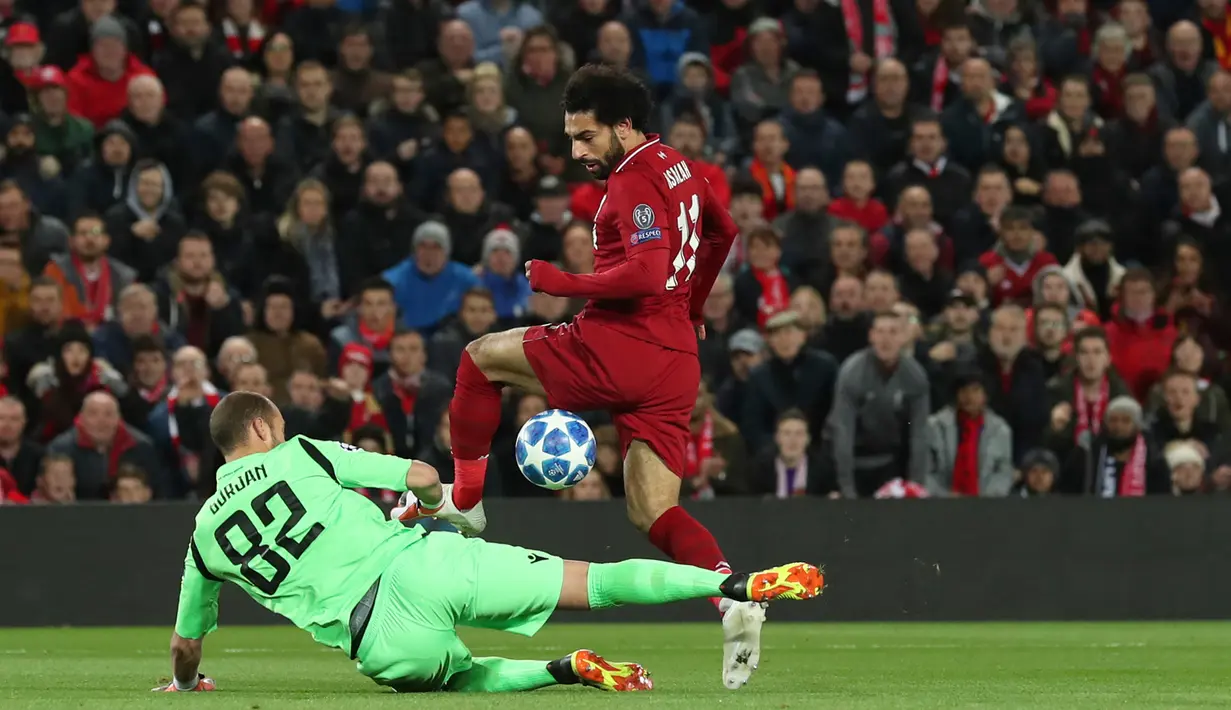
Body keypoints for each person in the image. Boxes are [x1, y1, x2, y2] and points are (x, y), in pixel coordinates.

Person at [435, 63, 766, 688]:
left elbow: (644, 272)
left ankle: (468, 500)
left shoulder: (634, 182)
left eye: (587, 137)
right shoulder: (680, 165)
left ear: (623, 126)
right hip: (674, 361)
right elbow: (723, 232)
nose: (576, 150)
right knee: (653, 510)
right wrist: (693, 308)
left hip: (620, 340)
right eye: (570, 136)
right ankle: (731, 597)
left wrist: (566, 283)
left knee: (479, 357)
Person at [157, 391, 823, 693]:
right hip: (432, 562)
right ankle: (729, 586)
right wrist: (439, 510)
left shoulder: (203, 539)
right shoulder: (302, 452)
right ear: (267, 427)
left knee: (463, 678)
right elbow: (421, 476)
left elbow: (186, 645)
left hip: (379, 638)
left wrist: (188, 686)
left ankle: (560, 671)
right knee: (592, 581)